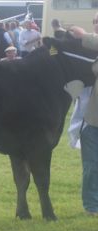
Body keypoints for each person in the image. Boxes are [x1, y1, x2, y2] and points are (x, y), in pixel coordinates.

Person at [69, 13, 98, 215]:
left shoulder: (91, 43)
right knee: (92, 165)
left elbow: (82, 34)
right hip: (91, 117)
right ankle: (92, 205)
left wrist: (83, 34)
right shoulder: (88, 50)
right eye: (96, 21)